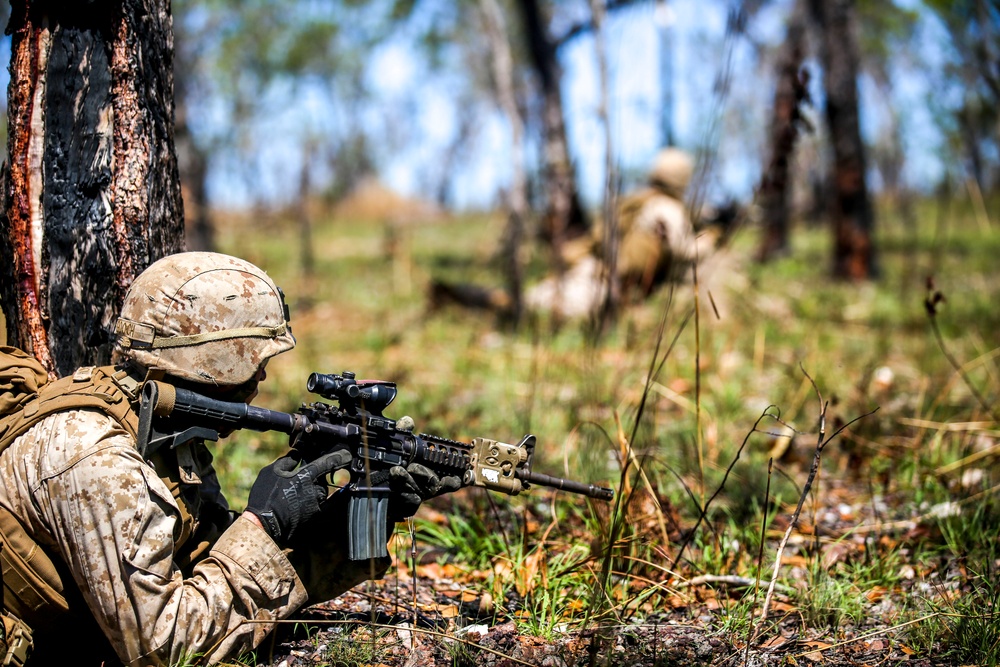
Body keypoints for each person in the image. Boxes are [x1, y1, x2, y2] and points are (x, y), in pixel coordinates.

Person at [0, 251, 458, 666]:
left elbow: (205, 569)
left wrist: (332, 531)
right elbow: (164, 650)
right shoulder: (100, 461)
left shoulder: (155, 424)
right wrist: (262, 524)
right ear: (216, 360)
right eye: (256, 363)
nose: (262, 378)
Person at [431, 148, 729, 320]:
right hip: (604, 283)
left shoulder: (634, 200)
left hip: (590, 269)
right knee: (536, 312)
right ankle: (473, 300)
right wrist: (712, 238)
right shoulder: (668, 209)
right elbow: (684, 251)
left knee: (530, 302)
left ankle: (468, 297)